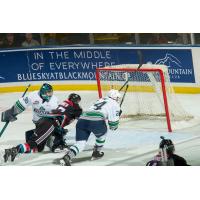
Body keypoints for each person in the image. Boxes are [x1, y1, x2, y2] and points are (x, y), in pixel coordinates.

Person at [2, 93, 82, 163]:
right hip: (51, 124)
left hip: (45, 120)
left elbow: (62, 115)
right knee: (34, 143)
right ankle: (15, 150)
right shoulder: (76, 109)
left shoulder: (65, 103)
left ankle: (56, 143)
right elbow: (82, 119)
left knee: (39, 147)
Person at [59, 89, 121, 166]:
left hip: (82, 120)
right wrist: (118, 116)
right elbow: (113, 126)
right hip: (96, 121)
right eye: (118, 98)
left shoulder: (100, 100)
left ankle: (67, 157)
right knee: (102, 135)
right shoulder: (115, 104)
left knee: (80, 143)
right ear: (116, 98)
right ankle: (96, 152)